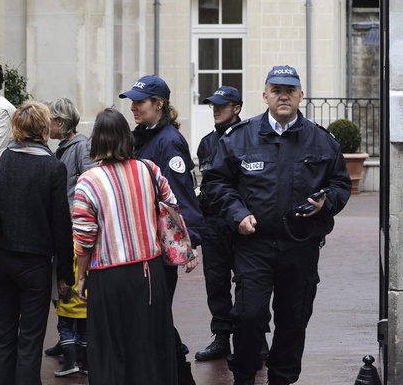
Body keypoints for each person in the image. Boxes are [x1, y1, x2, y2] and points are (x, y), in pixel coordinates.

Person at [201, 65, 352, 385]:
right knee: (248, 316)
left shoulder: (322, 141)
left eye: (290, 90)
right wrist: (237, 213)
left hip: (301, 245)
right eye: (277, 90)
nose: (283, 95)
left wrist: (328, 203)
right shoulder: (240, 138)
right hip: (254, 245)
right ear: (265, 94)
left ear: (300, 95)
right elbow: (216, 182)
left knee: (293, 320)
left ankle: (282, 379)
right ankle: (243, 377)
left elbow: (340, 184)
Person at [73, 107, 186, 385]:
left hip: (108, 275)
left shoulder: (88, 181)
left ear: (96, 140)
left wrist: (81, 275)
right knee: (149, 345)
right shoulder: (149, 169)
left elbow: (84, 236)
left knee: (110, 348)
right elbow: (172, 207)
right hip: (150, 272)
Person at [0, 101, 74, 385]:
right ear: (44, 131)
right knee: (31, 342)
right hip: (35, 266)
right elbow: (61, 226)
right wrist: (65, 275)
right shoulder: (52, 168)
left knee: (3, 337)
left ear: (16, 129)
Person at [119, 75, 203, 384]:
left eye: (139, 102)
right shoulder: (141, 136)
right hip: (141, 244)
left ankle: (179, 373)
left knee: (154, 317)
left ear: (159, 104)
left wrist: (190, 242)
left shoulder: (168, 140)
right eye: (132, 101)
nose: (133, 107)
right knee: (150, 317)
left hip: (157, 246)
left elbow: (181, 194)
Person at [44, 98, 96, 376]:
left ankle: (74, 350)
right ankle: (71, 345)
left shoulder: (81, 147)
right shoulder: (62, 149)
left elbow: (88, 187)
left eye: (50, 119)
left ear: (60, 123)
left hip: (76, 234)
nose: (46, 124)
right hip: (65, 232)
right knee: (64, 293)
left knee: (72, 294)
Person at [194, 86, 242, 362]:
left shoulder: (248, 138)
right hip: (212, 223)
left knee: (247, 283)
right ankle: (222, 337)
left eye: (221, 105)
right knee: (216, 283)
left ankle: (253, 338)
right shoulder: (206, 143)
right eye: (213, 105)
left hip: (239, 224)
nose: (215, 109)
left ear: (236, 108)